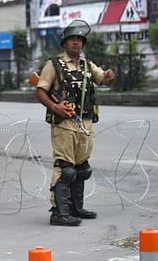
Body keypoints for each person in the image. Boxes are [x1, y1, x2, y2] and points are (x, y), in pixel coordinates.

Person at [35, 19, 115, 226]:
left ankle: (75, 208)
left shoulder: (88, 65)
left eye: (79, 39)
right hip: (64, 123)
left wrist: (109, 77)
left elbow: (103, 80)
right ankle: (59, 212)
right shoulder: (53, 65)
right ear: (64, 43)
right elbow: (40, 91)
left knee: (82, 168)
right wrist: (55, 107)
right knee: (65, 168)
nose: (76, 43)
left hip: (86, 123)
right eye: (72, 39)